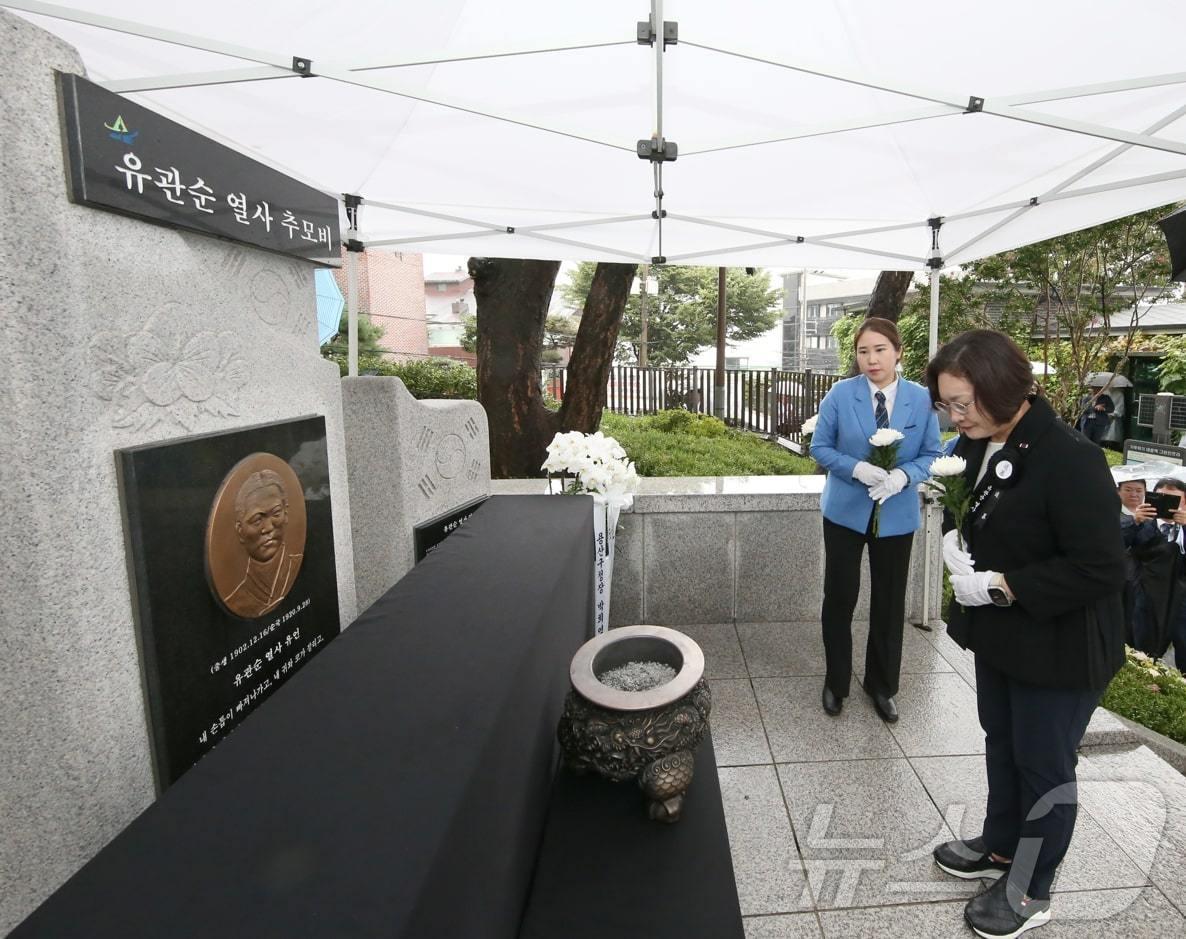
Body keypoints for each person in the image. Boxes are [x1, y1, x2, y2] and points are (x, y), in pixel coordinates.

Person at [926, 330, 1125, 939]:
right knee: (1002, 740)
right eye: (948, 406)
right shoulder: (978, 439)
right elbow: (983, 510)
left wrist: (1003, 585)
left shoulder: (1069, 457)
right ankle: (1002, 844)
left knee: (1043, 764)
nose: (955, 418)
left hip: (1061, 645)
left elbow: (1100, 566)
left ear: (1007, 388)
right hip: (1005, 639)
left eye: (964, 404)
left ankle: (1032, 888)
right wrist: (958, 540)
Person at [809, 317, 941, 722]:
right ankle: (836, 682)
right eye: (863, 351)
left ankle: (882, 686)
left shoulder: (920, 399)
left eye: (880, 349)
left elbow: (932, 452)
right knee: (840, 597)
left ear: (898, 352)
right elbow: (819, 447)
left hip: (897, 515)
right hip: (846, 513)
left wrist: (905, 475)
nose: (872, 359)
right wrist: (855, 469)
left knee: (889, 601)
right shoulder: (840, 394)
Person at [223, 469, 304, 619]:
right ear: (240, 531)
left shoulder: (302, 566)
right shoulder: (236, 601)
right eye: (257, 520)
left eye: (276, 514)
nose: (268, 528)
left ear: (286, 513)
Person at [1118, 478, 1179, 657]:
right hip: (1137, 593)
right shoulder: (1141, 522)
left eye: (1176, 500)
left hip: (1171, 599)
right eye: (1162, 498)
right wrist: (1136, 521)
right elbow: (1118, 543)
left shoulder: (1182, 530)